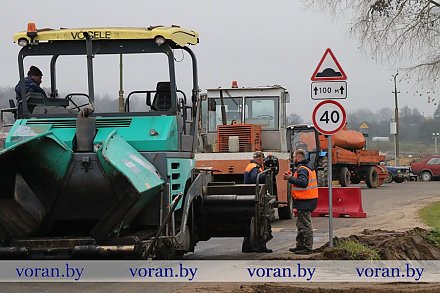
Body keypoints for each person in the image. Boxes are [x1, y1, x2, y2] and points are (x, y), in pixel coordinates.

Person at [283, 149, 318, 255]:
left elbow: (303, 183)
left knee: (305, 224)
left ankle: (307, 247)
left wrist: (290, 178)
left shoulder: (302, 169)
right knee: (300, 224)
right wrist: (292, 176)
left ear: (298, 157)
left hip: (305, 201)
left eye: (294, 157)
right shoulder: (306, 167)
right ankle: (300, 246)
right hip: (307, 200)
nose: (293, 159)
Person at [242, 151, 272, 253]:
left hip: (250, 196)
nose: (263, 161)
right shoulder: (255, 167)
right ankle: (261, 246)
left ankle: (247, 246)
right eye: (262, 159)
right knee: (261, 221)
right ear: (259, 158)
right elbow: (255, 178)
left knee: (251, 222)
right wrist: (266, 174)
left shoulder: (249, 166)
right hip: (256, 197)